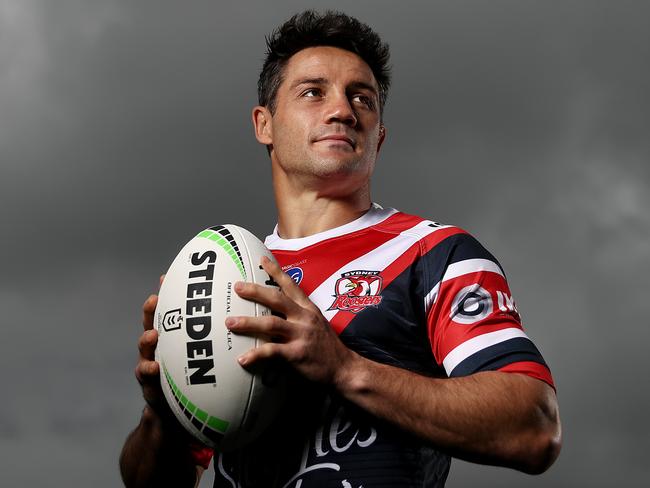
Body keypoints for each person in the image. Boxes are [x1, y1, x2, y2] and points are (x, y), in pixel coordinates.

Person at [120, 10, 561, 488]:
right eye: (313, 92)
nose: (343, 111)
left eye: (362, 99)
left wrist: (345, 368)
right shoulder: (232, 282)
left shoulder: (432, 253)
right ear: (263, 124)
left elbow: (534, 427)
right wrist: (163, 412)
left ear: (379, 136)